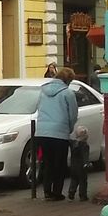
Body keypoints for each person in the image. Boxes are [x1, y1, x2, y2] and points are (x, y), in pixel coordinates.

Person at [36, 66, 78, 201]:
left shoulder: (43, 91)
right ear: (69, 80)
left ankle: (47, 191)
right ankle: (56, 192)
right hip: (59, 132)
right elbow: (73, 114)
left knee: (47, 162)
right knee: (59, 164)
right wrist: (69, 128)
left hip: (42, 131)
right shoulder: (68, 93)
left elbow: (39, 108)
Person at [68, 126, 90, 201]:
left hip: (73, 165)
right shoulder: (85, 145)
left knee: (74, 180)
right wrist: (86, 163)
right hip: (81, 166)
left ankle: (71, 193)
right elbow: (85, 155)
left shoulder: (73, 144)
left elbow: (69, 140)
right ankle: (83, 195)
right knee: (82, 181)